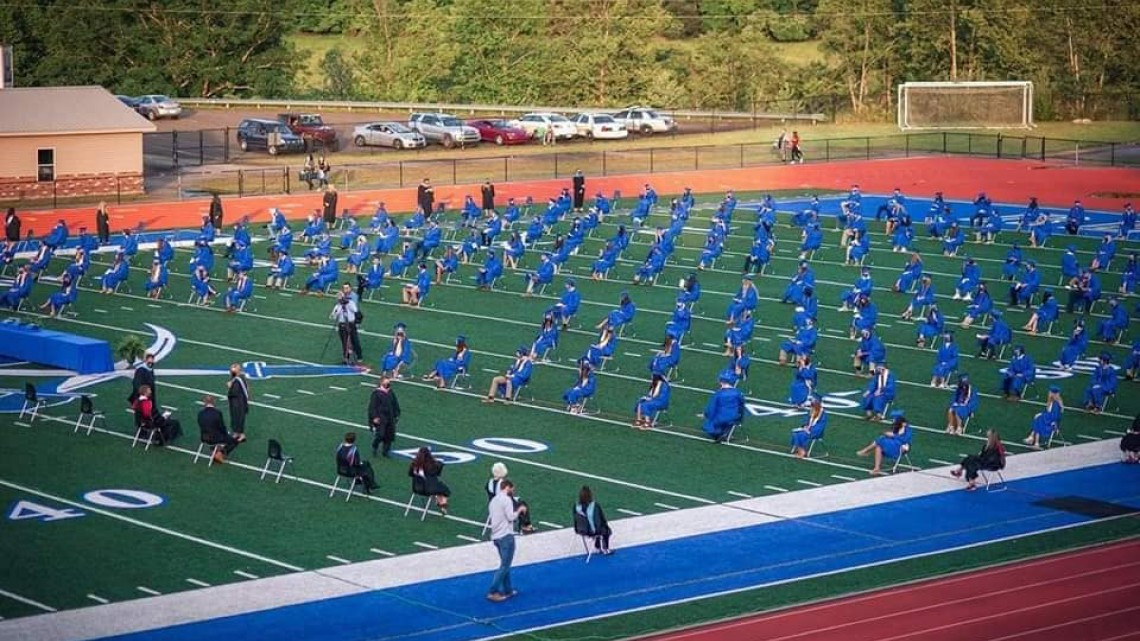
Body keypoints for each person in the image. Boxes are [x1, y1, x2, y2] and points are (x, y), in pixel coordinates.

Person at [487, 479, 527, 602]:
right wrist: (520, 510)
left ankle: (508, 589)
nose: (513, 491)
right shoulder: (506, 500)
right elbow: (511, 517)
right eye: (512, 488)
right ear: (507, 487)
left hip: (496, 536)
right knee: (505, 565)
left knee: (505, 564)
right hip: (506, 536)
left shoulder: (494, 500)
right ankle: (493, 591)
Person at [856, 411, 912, 476]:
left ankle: (866, 451)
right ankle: (876, 468)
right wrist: (889, 435)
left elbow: (904, 439)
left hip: (900, 448)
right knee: (879, 445)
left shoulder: (907, 429)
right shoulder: (897, 427)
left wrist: (892, 435)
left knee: (881, 441)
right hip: (894, 445)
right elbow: (894, 435)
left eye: (894, 419)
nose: (893, 421)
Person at [486, 463, 535, 533]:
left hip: (493, 507)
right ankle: (526, 526)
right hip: (504, 506)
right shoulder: (504, 483)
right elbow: (509, 498)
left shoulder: (489, 483)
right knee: (522, 504)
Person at [197, 395, 241, 464]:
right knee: (236, 439)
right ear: (214, 402)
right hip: (215, 438)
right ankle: (220, 453)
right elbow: (222, 427)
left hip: (204, 437)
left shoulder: (200, 413)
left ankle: (215, 450)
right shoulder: (217, 413)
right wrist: (227, 434)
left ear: (204, 402)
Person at [365, 376, 401, 457]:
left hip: (390, 416)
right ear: (382, 383)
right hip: (381, 417)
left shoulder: (390, 392)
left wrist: (397, 413)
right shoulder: (376, 393)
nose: (388, 384)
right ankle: (375, 446)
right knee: (380, 434)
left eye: (388, 382)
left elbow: (395, 403)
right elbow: (372, 406)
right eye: (386, 382)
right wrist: (374, 417)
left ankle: (386, 451)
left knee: (389, 435)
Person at [702, 373, 745, 442]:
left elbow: (711, 408)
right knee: (729, 420)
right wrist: (740, 418)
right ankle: (726, 432)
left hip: (720, 418)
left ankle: (718, 434)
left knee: (709, 424)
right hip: (734, 417)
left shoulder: (718, 394)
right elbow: (741, 406)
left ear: (721, 382)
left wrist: (705, 414)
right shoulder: (738, 393)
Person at [409, 447, 450, 513]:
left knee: (438, 486)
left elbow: (410, 474)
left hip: (416, 488)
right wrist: (440, 465)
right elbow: (437, 473)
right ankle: (442, 504)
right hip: (428, 490)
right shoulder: (431, 465)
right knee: (445, 490)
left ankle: (440, 501)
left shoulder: (414, 464)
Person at [574, 485, 613, 555]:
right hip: (592, 531)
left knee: (597, 527)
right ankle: (605, 548)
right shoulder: (594, 506)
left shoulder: (576, 506)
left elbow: (575, 519)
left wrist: (577, 529)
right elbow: (601, 518)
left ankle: (597, 546)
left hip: (581, 530)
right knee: (605, 530)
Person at [225, 363, 251, 439]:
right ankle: (236, 432)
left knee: (238, 418)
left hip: (238, 403)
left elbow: (234, 392)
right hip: (238, 402)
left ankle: (241, 434)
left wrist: (230, 386)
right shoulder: (241, 378)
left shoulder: (238, 380)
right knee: (235, 417)